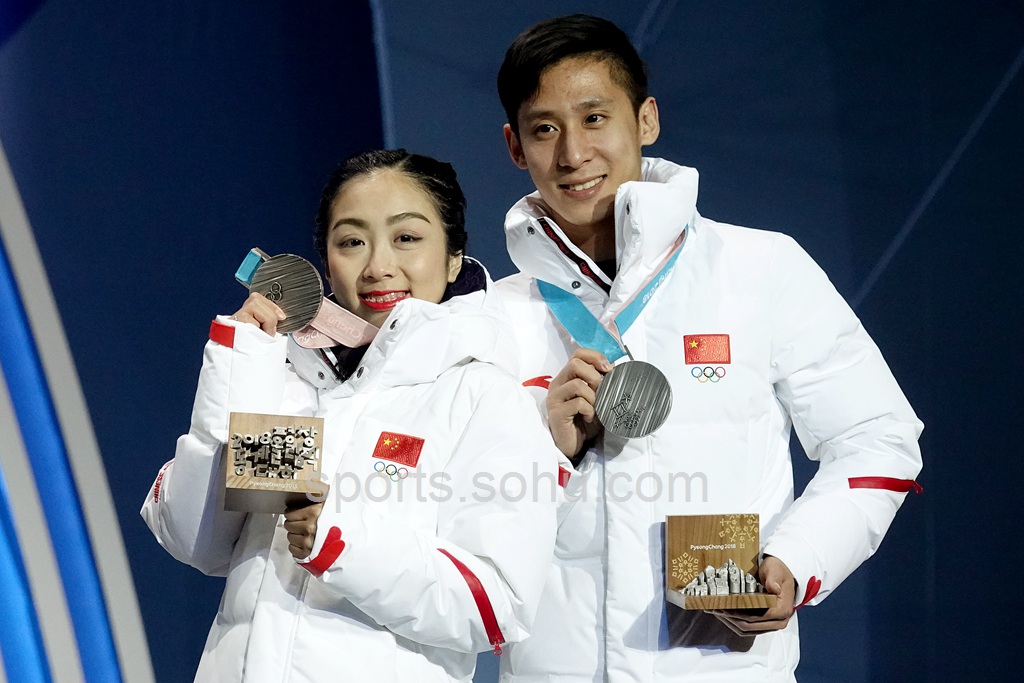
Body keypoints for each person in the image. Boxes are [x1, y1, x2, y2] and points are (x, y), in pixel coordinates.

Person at [492, 14, 924, 682]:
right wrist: (543, 452)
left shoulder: (761, 267)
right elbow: (447, 508)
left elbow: (878, 438)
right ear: (515, 148)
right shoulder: (492, 315)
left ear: (647, 120)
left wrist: (795, 561)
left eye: (595, 117)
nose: (573, 153)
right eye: (544, 128)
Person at [141, 149, 561, 682]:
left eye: (407, 238)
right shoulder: (292, 383)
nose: (378, 265)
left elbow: (496, 605)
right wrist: (239, 366)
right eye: (351, 242)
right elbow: (195, 541)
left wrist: (342, 541)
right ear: (326, 262)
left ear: (454, 256)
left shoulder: (483, 396)